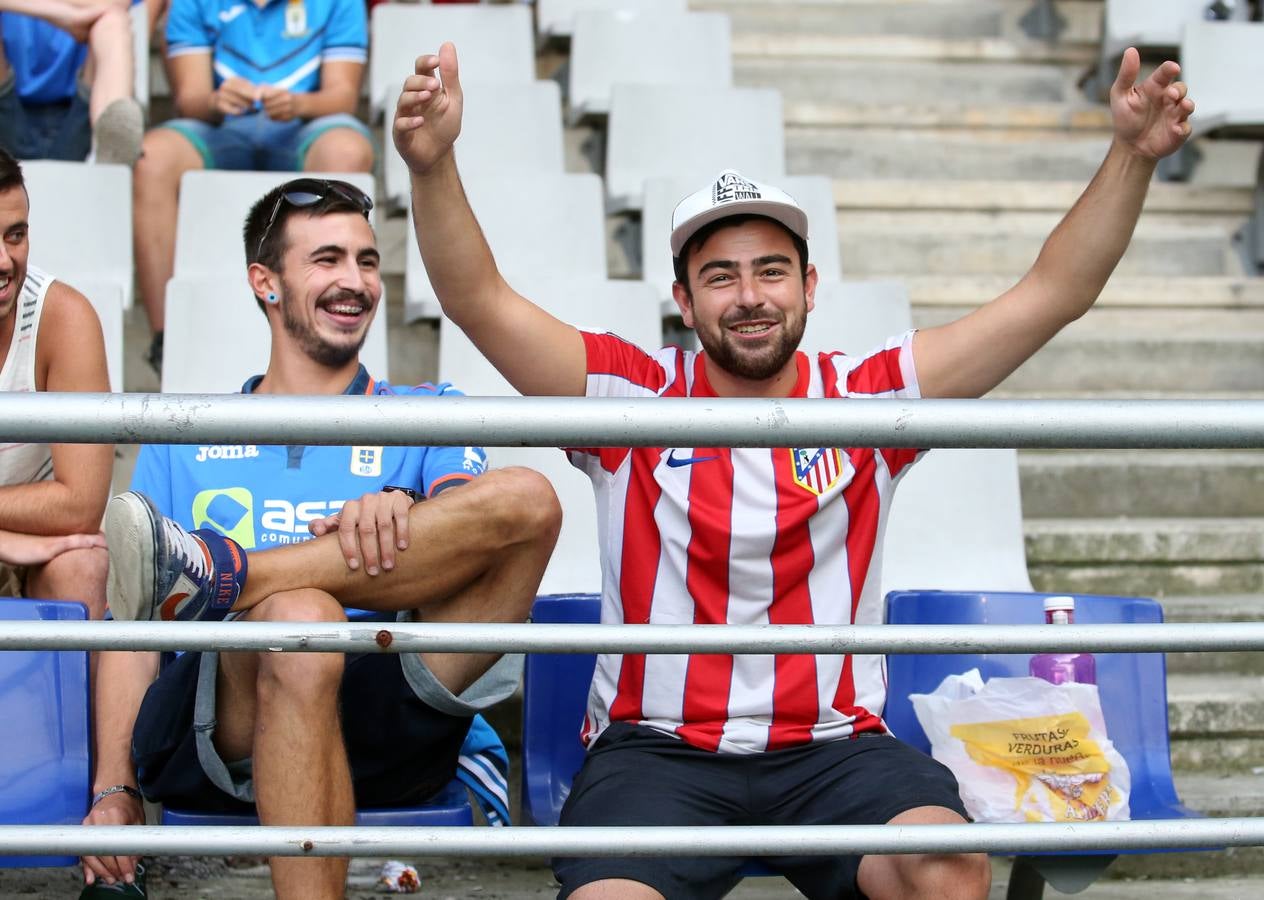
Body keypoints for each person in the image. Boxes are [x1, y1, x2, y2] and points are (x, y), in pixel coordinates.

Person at [387, 42, 1196, 900]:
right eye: (720, 276)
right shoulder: (632, 396)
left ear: (810, 285)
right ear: (684, 299)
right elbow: (478, 298)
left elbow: (1050, 294)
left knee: (946, 870)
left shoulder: (869, 396)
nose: (749, 296)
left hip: (834, 746)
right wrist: (432, 165)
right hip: (656, 749)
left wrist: (1131, 157)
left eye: (772, 271)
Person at [82, 178, 561, 899]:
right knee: (301, 622)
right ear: (265, 283)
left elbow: (480, 533)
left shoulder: (427, 411)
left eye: (368, 262)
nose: (355, 282)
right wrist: (114, 789)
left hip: (391, 699)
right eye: (328, 260)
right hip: (229, 725)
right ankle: (251, 589)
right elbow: (132, 636)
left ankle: (235, 575)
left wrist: (401, 503)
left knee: (531, 497)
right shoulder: (186, 433)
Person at [134, 0, 375, 373]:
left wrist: (298, 103)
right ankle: (165, 339)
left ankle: (337, 321)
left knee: (347, 151)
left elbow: (342, 96)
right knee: (151, 158)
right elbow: (190, 99)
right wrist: (217, 100)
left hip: (305, 129)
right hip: (221, 131)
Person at [0, 148, 111, 619]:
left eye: (16, 235)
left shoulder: (61, 317)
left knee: (83, 563)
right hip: (15, 527)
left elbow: (81, 505)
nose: (5, 262)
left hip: (33, 544)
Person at [0, 0, 144, 165]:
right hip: (5, 102)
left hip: (84, 107)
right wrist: (61, 14)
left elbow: (117, 3)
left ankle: (115, 143)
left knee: (113, 21)